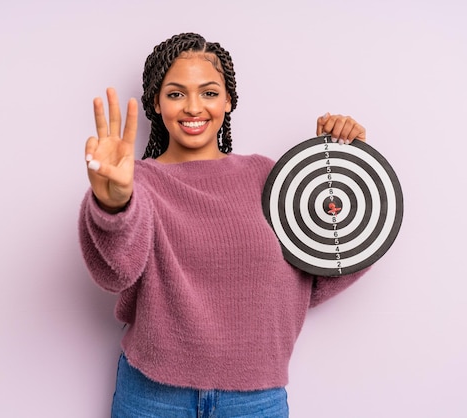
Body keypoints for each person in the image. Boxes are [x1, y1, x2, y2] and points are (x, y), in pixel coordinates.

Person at [78, 32, 370, 418]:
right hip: (153, 397)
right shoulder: (137, 183)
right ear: (156, 102)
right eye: (176, 93)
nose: (193, 107)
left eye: (209, 92)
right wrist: (114, 202)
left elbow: (321, 274)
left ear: (229, 100)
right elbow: (117, 272)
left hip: (255, 400)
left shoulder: (270, 178)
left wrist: (346, 168)